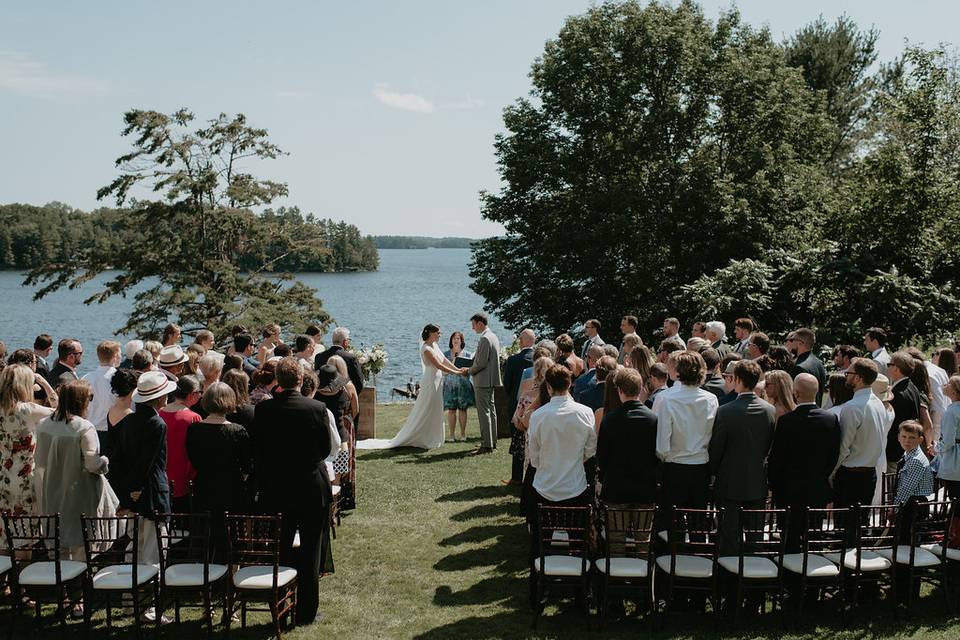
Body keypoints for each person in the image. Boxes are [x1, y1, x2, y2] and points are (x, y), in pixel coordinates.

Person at [252, 357, 334, 625]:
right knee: (310, 550)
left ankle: (280, 603)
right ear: (300, 380)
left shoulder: (264, 411)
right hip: (310, 485)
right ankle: (306, 613)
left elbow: (259, 450)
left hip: (276, 487)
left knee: (280, 549)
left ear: (279, 380)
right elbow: (324, 449)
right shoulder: (317, 408)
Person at [33, 380, 118, 560]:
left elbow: (39, 461)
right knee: (82, 543)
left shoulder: (43, 424)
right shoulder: (83, 427)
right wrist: (105, 460)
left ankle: (61, 581)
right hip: (79, 489)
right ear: (81, 401)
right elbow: (93, 465)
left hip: (52, 487)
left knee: (58, 539)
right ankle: (80, 582)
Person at [357, 324, 465, 450]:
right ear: (431, 333)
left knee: (435, 408)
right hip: (431, 381)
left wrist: (457, 369)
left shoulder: (434, 346)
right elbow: (439, 365)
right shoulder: (426, 349)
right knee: (427, 408)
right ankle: (420, 436)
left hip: (437, 380)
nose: (440, 335)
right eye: (438, 332)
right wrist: (457, 373)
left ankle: (431, 436)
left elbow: (445, 361)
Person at [109, 370, 176, 565]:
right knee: (154, 546)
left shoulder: (129, 420)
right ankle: (151, 586)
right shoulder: (157, 423)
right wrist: (135, 488)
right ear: (158, 397)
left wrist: (127, 492)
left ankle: (131, 586)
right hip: (152, 490)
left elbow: (118, 459)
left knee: (135, 543)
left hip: (134, 490)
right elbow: (147, 462)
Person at [709, 360, 775, 555]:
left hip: (729, 483)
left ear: (737, 379)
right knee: (755, 538)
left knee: (729, 538)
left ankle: (728, 581)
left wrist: (712, 472)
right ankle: (751, 580)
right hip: (757, 481)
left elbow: (717, 449)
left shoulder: (725, 411)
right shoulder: (769, 411)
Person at [768, 373, 841, 550]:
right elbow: (834, 455)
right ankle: (812, 572)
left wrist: (774, 483)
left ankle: (790, 573)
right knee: (814, 534)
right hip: (817, 487)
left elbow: (777, 457)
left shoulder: (787, 421)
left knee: (790, 536)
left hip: (789, 489)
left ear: (796, 393)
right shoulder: (830, 419)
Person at [527, 364, 597, 541]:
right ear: (569, 384)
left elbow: (534, 456)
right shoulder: (586, 413)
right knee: (578, 538)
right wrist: (574, 460)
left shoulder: (538, 416)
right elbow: (590, 449)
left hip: (545, 485)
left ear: (548, 387)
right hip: (575, 486)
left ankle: (540, 563)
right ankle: (578, 563)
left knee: (540, 538)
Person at [187, 382, 253, 562]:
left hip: (204, 486)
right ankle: (231, 570)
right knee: (231, 534)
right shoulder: (237, 431)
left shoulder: (194, 430)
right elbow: (247, 466)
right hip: (231, 488)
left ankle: (205, 570)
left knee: (206, 533)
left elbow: (193, 458)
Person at [653, 351, 718, 512]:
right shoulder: (711, 399)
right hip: (701, 467)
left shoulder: (667, 399)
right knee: (699, 523)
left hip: (674, 467)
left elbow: (661, 444)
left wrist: (666, 457)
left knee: (672, 524)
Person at [0, 364, 57, 537]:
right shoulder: (27, 409)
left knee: (4, 532)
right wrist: (45, 384)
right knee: (24, 532)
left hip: (3, 473)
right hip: (24, 477)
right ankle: (23, 562)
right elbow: (61, 411)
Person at [597, 368, 658, 509]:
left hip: (615, 488)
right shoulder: (653, 419)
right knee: (642, 531)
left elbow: (602, 455)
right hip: (644, 488)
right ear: (640, 389)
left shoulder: (609, 420)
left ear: (619, 390)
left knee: (616, 530)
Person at [833, 358, 887, 509]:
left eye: (848, 373)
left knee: (844, 527)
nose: (845, 375)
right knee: (859, 526)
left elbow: (844, 447)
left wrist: (832, 473)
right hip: (869, 475)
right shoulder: (878, 403)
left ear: (858, 378)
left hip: (850, 477)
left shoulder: (852, 407)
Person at [159, 375, 202, 512]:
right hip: (185, 473)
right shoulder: (193, 417)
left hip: (163, 472)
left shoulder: (159, 413)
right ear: (191, 395)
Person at [468, 313, 503, 454]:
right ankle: (492, 442)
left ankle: (486, 445)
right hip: (491, 380)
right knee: (491, 411)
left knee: (484, 413)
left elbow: (481, 363)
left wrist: (469, 370)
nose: (473, 328)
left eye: (474, 325)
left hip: (483, 380)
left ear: (480, 323)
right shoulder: (493, 336)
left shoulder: (484, 338)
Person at [504, 329, 535, 484]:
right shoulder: (540, 358)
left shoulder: (513, 360)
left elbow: (507, 385)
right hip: (537, 404)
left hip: (518, 405)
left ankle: (516, 477)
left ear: (521, 341)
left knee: (517, 440)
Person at [886, 351, 922, 473]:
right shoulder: (912, 387)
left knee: (894, 489)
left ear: (896, 368)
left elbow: (894, 425)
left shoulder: (898, 394)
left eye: (889, 364)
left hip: (896, 454)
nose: (888, 367)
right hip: (907, 450)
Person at [81, 340, 121, 444]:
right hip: (112, 430)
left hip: (89, 430)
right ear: (115, 356)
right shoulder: (119, 378)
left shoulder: (86, 378)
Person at [443, 331, 476, 442]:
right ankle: (451, 435)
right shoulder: (446, 354)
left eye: (458, 338)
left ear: (462, 341)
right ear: (451, 340)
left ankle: (462, 434)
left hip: (463, 385)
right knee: (451, 410)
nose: (456, 340)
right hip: (450, 386)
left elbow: (471, 371)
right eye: (454, 338)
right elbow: (442, 371)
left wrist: (465, 370)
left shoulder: (468, 355)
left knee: (463, 410)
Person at [314, 327, 364, 393]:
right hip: (343, 398)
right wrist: (350, 398)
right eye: (348, 340)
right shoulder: (351, 358)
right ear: (345, 342)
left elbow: (316, 379)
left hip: (321, 397)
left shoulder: (319, 356)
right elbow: (359, 383)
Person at [935, 376, 960, 499]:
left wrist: (935, 448)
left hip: (955, 462)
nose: (945, 384)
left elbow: (948, 441)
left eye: (949, 383)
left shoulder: (951, 412)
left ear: (954, 392)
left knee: (955, 498)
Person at [791, 328, 826, 403]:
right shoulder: (819, 363)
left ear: (800, 343)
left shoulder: (799, 367)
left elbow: (794, 398)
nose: (791, 343)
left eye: (792, 340)